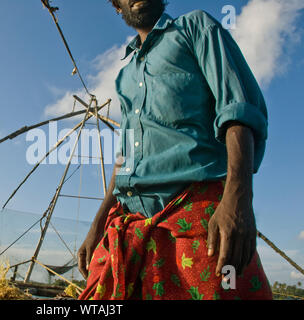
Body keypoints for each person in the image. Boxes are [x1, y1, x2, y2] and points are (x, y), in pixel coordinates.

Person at [77, 0, 273, 300]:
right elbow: (124, 158)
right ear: (117, 6)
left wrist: (238, 198)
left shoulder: (195, 28)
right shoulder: (124, 76)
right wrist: (98, 223)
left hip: (195, 214)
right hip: (128, 223)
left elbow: (237, 108)